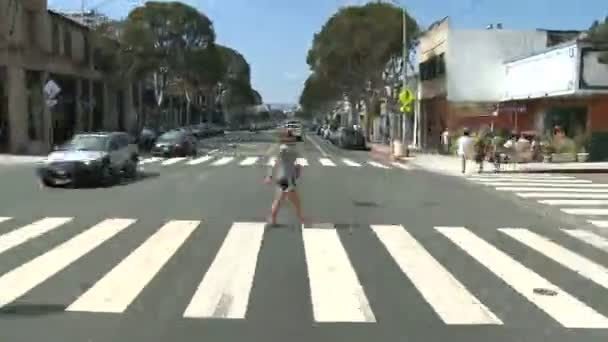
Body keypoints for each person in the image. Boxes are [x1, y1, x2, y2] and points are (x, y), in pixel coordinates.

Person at [264, 131, 305, 225]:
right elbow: (298, 166)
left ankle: (273, 220)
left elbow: (272, 162)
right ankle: (301, 219)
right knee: (294, 201)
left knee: (280, 200)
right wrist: (297, 173)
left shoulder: (281, 149)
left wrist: (269, 175)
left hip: (282, 177)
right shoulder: (293, 150)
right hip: (288, 178)